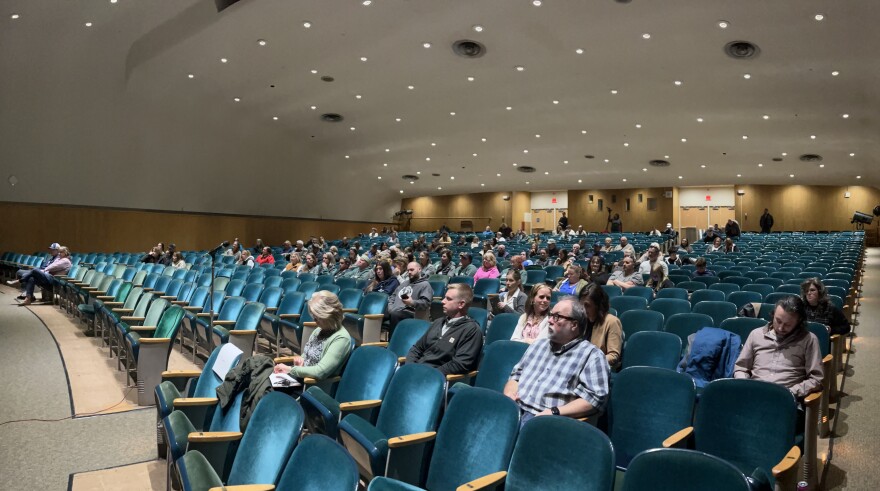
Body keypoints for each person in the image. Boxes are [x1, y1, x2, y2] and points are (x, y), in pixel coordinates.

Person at [504, 296, 610, 424]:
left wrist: (554, 412)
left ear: (574, 325)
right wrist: (509, 393)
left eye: (557, 317)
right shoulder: (538, 345)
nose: (549, 320)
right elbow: (515, 376)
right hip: (513, 410)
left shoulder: (591, 355)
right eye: (550, 315)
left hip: (546, 419)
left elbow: (595, 399)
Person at [733, 296, 823, 399]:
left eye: (787, 325)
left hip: (785, 399)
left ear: (799, 322)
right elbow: (741, 368)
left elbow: (816, 379)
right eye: (778, 321)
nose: (781, 328)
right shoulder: (756, 334)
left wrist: (789, 392)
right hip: (753, 394)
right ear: (773, 314)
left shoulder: (809, 340)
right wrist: (745, 386)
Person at [273, 291, 353, 381]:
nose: (314, 319)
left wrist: (290, 369)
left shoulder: (341, 339)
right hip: (300, 378)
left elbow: (320, 372)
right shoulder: (319, 330)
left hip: (312, 386)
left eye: (317, 317)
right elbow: (306, 356)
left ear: (328, 315)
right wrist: (300, 360)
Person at [406, 283, 482, 376]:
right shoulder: (438, 322)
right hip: (417, 371)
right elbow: (417, 349)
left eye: (448, 299)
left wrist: (429, 374)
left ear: (461, 304)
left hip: (435, 378)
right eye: (444, 297)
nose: (442, 301)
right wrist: (409, 368)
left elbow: (460, 364)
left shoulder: (471, 330)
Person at [579, 284, 623, 369]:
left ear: (598, 305)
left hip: (597, 368)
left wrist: (589, 362)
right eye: (581, 304)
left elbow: (613, 356)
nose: (583, 309)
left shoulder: (612, 322)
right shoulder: (581, 320)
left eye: (587, 305)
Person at [387, 262, 433, 329]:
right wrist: (390, 308)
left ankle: (393, 339)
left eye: (412, 270)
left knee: (396, 314)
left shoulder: (425, 285)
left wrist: (412, 302)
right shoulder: (404, 283)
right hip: (395, 310)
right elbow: (392, 297)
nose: (409, 272)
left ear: (419, 269)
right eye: (408, 270)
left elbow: (426, 303)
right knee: (379, 312)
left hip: (410, 312)